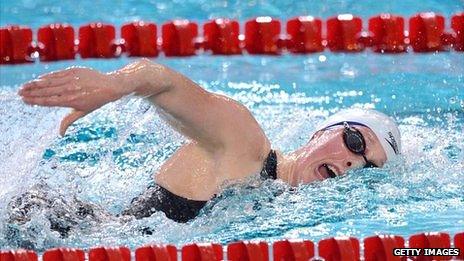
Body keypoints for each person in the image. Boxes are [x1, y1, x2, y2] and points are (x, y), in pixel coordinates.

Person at [17, 58, 401, 224]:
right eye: (354, 141)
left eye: (368, 167)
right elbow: (162, 80)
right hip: (48, 226)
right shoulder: (245, 144)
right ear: (323, 132)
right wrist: (115, 84)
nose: (355, 162)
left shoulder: (282, 202)